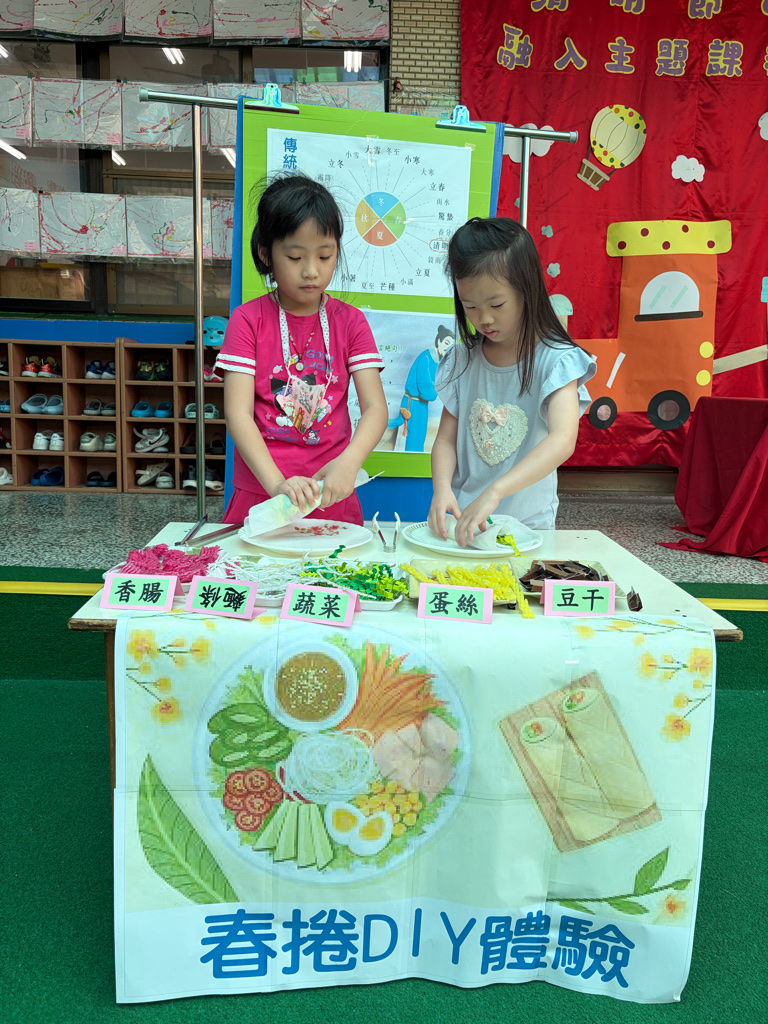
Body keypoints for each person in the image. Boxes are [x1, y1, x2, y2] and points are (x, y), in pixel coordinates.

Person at [215, 174, 388, 525]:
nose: (311, 271)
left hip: (330, 493)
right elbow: (238, 414)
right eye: (295, 257)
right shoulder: (247, 320)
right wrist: (276, 484)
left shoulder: (350, 322)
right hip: (263, 494)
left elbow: (375, 408)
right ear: (266, 253)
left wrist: (349, 464)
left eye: (325, 256)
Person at [428, 216, 596, 545]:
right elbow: (446, 440)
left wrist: (495, 492)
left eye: (497, 304)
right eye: (470, 306)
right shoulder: (462, 359)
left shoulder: (556, 360)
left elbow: (563, 440)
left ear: (526, 289)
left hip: (528, 526)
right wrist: (442, 488)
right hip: (465, 522)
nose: (484, 318)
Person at [387, 324, 455, 452]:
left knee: (419, 441)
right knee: (413, 442)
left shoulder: (439, 361)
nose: (448, 348)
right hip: (412, 404)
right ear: (439, 341)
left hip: (422, 405)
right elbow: (428, 393)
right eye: (446, 343)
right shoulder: (426, 358)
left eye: (451, 346)